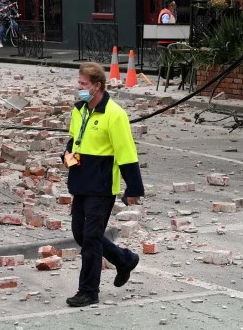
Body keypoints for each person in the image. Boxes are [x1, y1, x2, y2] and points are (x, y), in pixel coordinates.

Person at [62, 62, 144, 307]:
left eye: (83, 84)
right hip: (80, 182)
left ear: (97, 86)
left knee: (91, 239)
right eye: (79, 83)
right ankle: (124, 259)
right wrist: (67, 156)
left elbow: (127, 153)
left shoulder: (115, 114)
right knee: (82, 234)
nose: (79, 88)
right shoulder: (79, 110)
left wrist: (134, 188)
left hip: (102, 187)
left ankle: (88, 291)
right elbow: (74, 141)